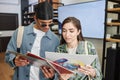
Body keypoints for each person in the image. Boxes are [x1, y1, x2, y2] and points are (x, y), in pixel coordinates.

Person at [5, 1, 60, 80]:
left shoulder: (56, 40)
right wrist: (14, 60)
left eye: (50, 23)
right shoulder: (20, 32)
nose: (47, 27)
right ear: (35, 18)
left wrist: (53, 76)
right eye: (43, 24)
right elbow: (8, 55)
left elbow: (57, 67)